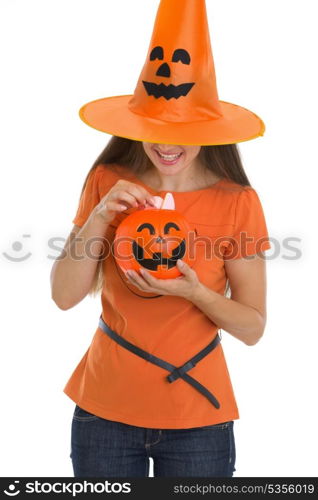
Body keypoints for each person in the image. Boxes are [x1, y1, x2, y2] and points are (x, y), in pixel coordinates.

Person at [50, 0, 271, 477]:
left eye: (183, 129)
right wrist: (100, 218)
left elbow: (253, 328)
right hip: (103, 412)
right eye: (155, 127)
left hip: (199, 417)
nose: (166, 144)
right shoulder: (107, 181)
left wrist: (193, 291)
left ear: (208, 128)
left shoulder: (238, 201)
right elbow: (64, 297)